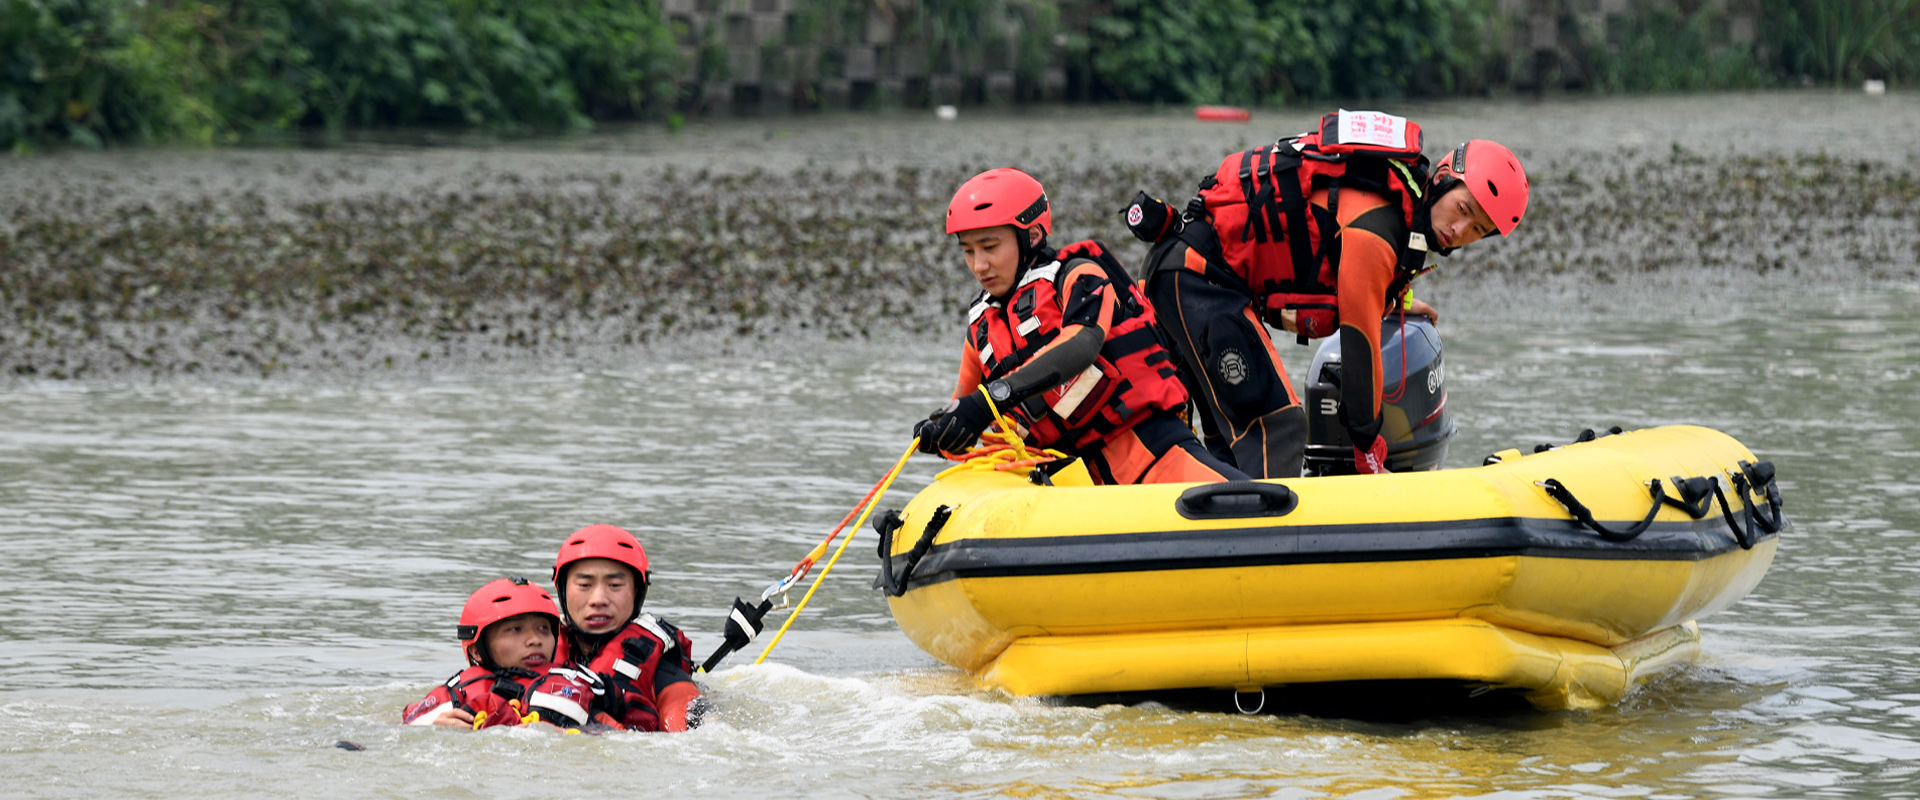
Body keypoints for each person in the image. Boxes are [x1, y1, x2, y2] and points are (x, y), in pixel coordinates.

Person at [1130, 110, 1528, 478]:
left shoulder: (1397, 207)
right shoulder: (1377, 229)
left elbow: (1358, 279)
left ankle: (1224, 531)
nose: (1460, 231)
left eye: (1477, 229)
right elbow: (1358, 342)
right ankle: (1271, 545)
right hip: (1197, 280)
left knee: (1231, 441)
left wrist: (1396, 302)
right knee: (1278, 430)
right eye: (1463, 209)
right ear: (1441, 179)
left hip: (1187, 278)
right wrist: (1368, 445)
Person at [915, 168, 1248, 486]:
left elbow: (1082, 345)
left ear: (1031, 236)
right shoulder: (981, 330)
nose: (979, 265)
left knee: (1262, 506)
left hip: (1155, 453)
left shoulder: (1079, 276)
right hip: (1073, 482)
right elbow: (966, 412)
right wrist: (943, 429)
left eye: (990, 247)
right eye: (968, 251)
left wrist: (992, 398)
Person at [552, 524, 703, 732]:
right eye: (585, 585)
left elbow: (698, 738)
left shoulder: (664, 675)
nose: (598, 600)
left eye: (615, 585)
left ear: (637, 592)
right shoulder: (535, 652)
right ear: (562, 589)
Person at [402, 577, 598, 730]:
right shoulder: (460, 693)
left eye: (543, 629)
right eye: (515, 630)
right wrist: (435, 726)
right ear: (477, 651)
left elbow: (616, 732)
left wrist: (562, 733)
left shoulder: (583, 685)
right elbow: (402, 727)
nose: (535, 640)